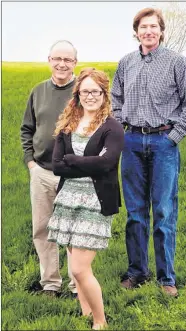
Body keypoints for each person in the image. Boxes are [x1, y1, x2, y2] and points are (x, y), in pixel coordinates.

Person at [111, 8, 186, 297]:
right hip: (133, 143)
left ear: (161, 31)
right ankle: (137, 271)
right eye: (143, 26)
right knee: (135, 212)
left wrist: (173, 137)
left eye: (153, 26)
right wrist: (123, 126)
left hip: (164, 143)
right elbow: (115, 98)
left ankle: (166, 277)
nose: (148, 31)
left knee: (163, 211)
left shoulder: (176, 62)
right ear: (136, 31)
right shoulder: (125, 63)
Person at [47, 67, 124, 329]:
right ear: (77, 93)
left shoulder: (111, 127)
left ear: (104, 94)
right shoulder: (68, 123)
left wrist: (73, 160)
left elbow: (107, 163)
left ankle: (100, 321)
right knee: (73, 264)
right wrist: (86, 162)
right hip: (68, 198)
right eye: (85, 91)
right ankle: (85, 313)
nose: (90, 96)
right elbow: (57, 165)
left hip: (95, 200)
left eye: (96, 91)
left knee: (80, 268)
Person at [20, 40, 78, 297]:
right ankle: (51, 284)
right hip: (41, 172)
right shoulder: (38, 91)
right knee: (42, 229)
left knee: (74, 231)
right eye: (57, 59)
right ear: (49, 61)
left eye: (67, 59)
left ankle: (78, 285)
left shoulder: (83, 91)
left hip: (74, 174)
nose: (62, 64)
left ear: (75, 63)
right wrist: (31, 162)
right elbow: (27, 129)